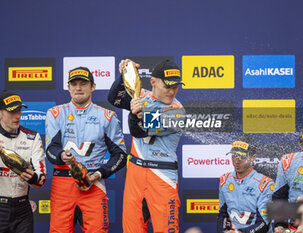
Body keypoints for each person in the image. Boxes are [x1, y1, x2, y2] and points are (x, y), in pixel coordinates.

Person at [45, 67, 127, 233]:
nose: (78, 88)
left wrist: (99, 174)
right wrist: (61, 156)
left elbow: (120, 155)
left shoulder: (107, 116)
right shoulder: (55, 113)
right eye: (74, 84)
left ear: (93, 87)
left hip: (93, 182)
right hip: (63, 185)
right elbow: (50, 149)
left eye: (83, 83)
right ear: (68, 87)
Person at [108, 59, 185, 233]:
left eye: (176, 87)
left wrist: (136, 114)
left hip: (162, 175)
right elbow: (114, 98)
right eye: (167, 86)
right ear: (153, 82)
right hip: (136, 171)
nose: (172, 91)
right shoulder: (141, 95)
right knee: (132, 229)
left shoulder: (176, 111)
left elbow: (139, 130)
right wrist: (126, 75)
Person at [0, 91, 46, 233]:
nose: (18, 116)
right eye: (12, 112)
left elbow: (41, 181)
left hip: (22, 210)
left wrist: (32, 177)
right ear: (0, 113)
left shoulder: (32, 137)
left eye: (19, 111)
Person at [217, 135, 274, 233]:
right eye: (234, 155)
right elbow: (222, 215)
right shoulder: (225, 180)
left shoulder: (265, 184)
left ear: (253, 157)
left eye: (242, 156)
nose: (236, 160)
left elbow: (264, 223)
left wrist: (239, 232)